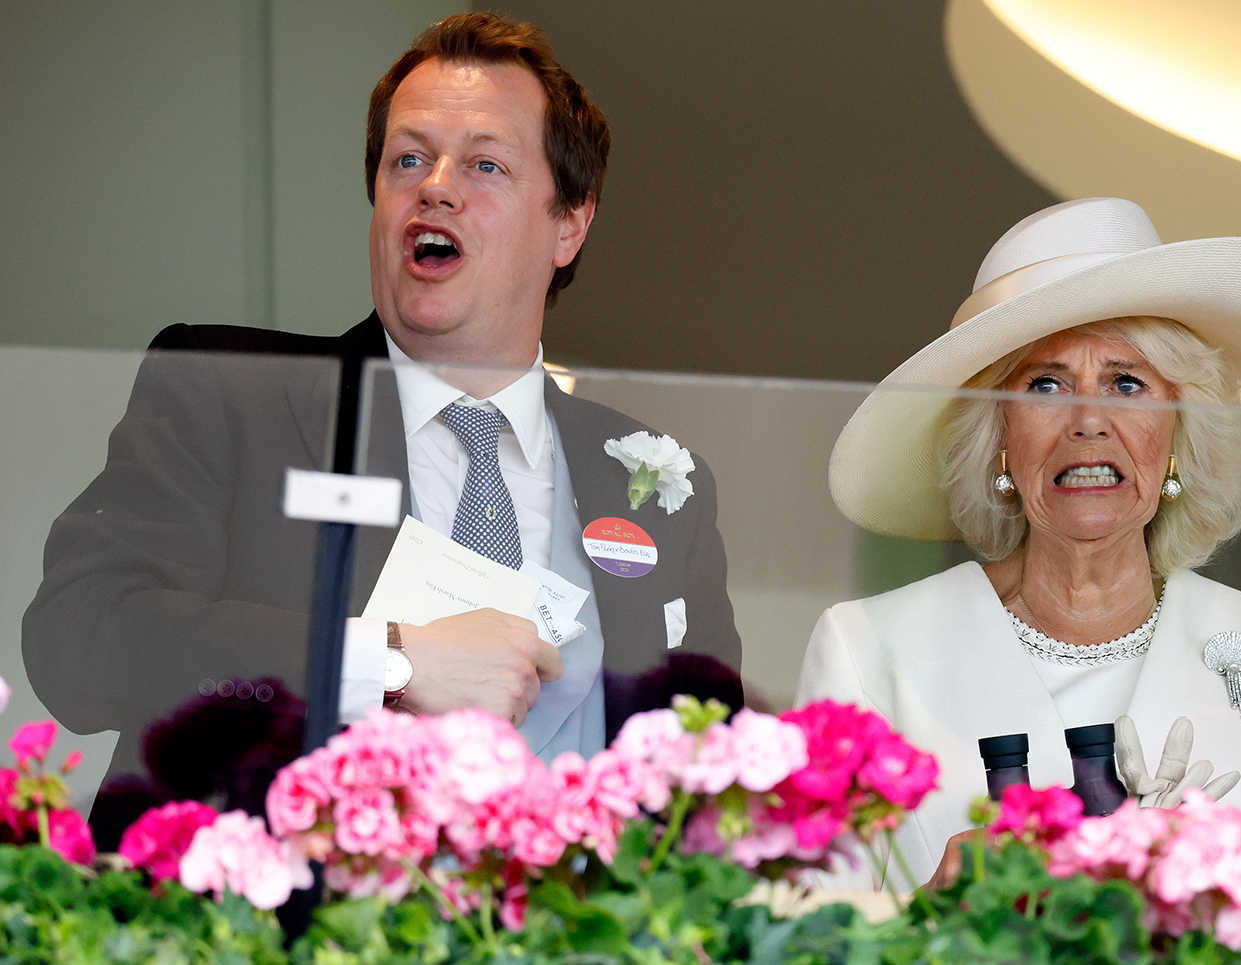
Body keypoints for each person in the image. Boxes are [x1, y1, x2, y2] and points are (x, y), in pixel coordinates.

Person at [23, 14, 740, 835]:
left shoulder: (657, 482)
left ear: (569, 225)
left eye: (484, 162)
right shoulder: (234, 393)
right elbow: (78, 640)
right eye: (408, 158)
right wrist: (381, 661)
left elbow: (709, 776)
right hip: (276, 935)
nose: (435, 184)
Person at [796, 197, 1241, 888]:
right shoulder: (867, 648)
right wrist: (933, 911)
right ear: (999, 439)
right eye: (1045, 384)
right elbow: (806, 946)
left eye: (1126, 384)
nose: (1089, 420)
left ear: (1177, 438)